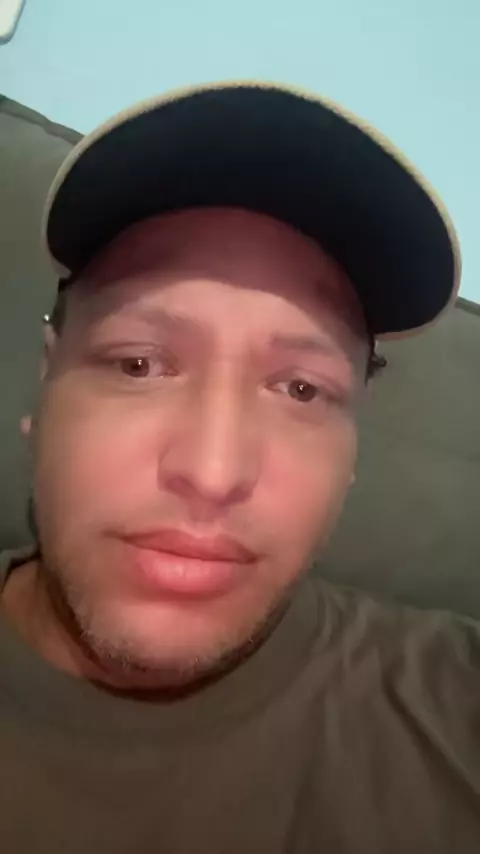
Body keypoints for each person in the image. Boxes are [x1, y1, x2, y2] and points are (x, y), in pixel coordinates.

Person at [0, 81, 478, 853]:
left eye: (302, 389)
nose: (213, 472)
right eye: (139, 364)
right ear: (44, 391)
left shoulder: (454, 707)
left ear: (352, 456)